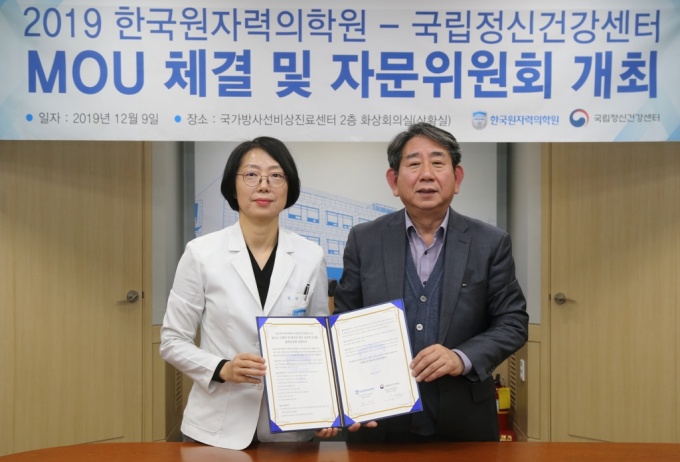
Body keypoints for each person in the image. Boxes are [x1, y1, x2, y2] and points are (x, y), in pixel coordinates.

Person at [335, 122, 529, 442]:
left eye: (438, 163)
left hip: (464, 420)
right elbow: (344, 322)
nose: (426, 174)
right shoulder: (364, 240)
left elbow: (513, 322)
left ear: (457, 178)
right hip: (379, 420)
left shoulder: (490, 242)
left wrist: (461, 357)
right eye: (414, 164)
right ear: (394, 181)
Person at [160, 137, 337, 449]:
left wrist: (324, 410)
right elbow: (172, 341)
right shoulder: (201, 253)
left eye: (276, 175)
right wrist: (223, 368)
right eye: (252, 175)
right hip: (215, 427)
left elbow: (319, 344)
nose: (264, 185)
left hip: (290, 427)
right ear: (233, 186)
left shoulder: (311, 256)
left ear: (289, 187)